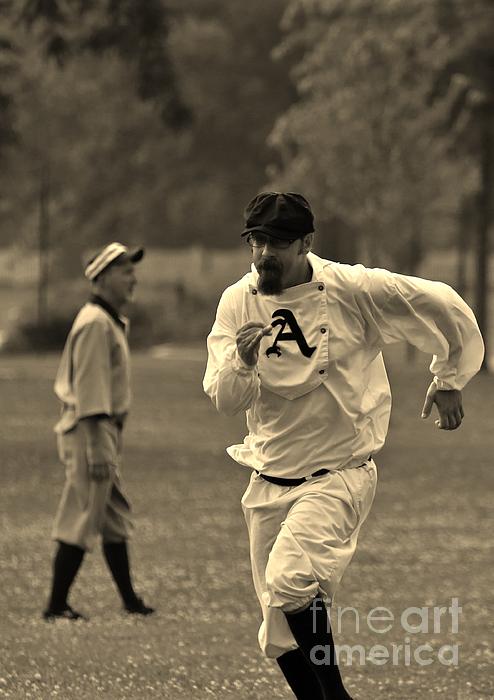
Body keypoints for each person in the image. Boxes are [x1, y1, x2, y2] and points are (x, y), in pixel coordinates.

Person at [203, 192, 484, 699]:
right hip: (268, 478)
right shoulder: (236, 301)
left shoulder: (354, 289)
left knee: (289, 582)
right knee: (278, 629)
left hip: (339, 474)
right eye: (257, 241)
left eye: (279, 243)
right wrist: (242, 363)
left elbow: (440, 302)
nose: (265, 253)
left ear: (307, 243)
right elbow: (224, 399)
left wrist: (449, 376)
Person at [43, 242, 155, 620]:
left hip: (101, 430)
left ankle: (129, 601)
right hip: (91, 429)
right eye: (125, 271)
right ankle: (55, 606)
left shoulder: (105, 319)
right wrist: (98, 447)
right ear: (103, 277)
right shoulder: (94, 323)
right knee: (82, 511)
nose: (133, 277)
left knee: (112, 515)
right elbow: (90, 390)